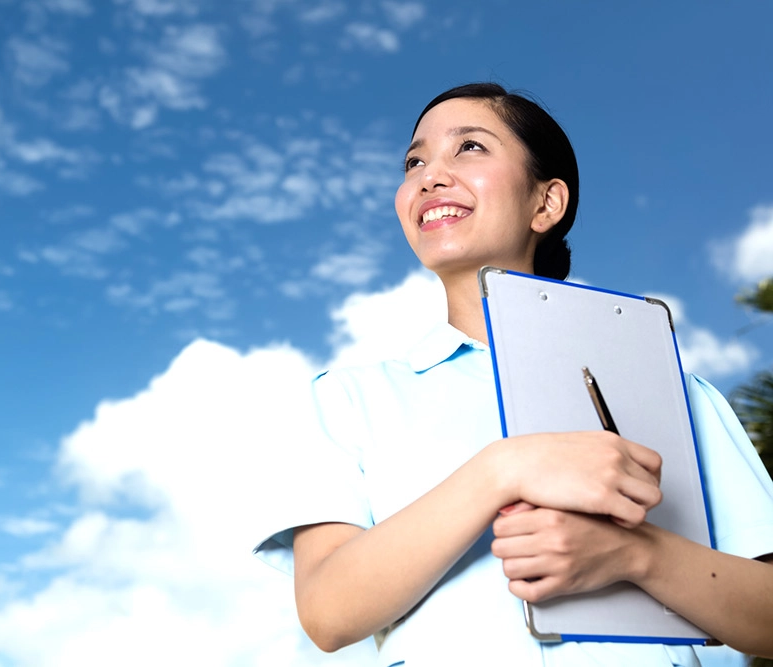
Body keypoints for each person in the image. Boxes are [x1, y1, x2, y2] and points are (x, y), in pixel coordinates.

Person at [253, 83, 773, 666]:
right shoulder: (350, 399)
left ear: (546, 204)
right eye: (414, 161)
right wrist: (502, 469)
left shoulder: (675, 391)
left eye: (469, 147)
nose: (429, 176)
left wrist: (636, 554)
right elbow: (328, 613)